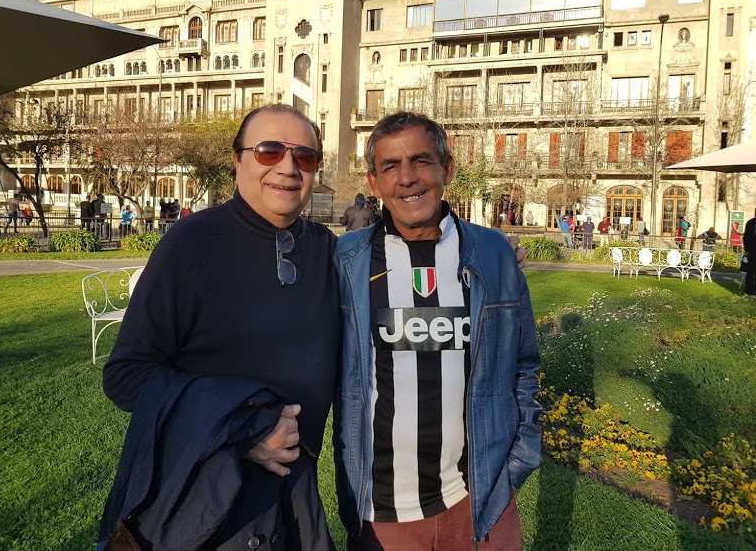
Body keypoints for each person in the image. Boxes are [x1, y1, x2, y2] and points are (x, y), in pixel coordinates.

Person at [99, 105, 340, 549]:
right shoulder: (191, 244)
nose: (288, 168)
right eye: (269, 151)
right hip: (207, 498)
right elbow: (126, 375)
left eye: (305, 157)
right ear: (237, 160)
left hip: (294, 500)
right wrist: (243, 428)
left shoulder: (327, 249)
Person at [333, 112, 541, 550]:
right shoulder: (345, 260)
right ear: (374, 182)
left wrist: (518, 463)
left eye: (421, 161)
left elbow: (524, 366)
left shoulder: (492, 253)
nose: (407, 178)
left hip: (481, 502)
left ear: (447, 169)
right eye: (391, 166)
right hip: (383, 513)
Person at [744, 210, 756, 296]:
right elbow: (746, 237)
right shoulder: (751, 223)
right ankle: (749, 291)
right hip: (752, 251)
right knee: (751, 272)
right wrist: (747, 250)